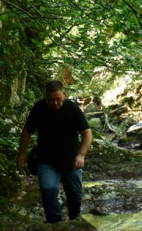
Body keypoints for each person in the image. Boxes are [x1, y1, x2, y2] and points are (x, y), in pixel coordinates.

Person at [16, 80, 92, 223]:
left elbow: (87, 133)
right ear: (46, 97)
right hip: (46, 160)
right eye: (51, 100)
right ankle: (54, 223)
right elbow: (27, 131)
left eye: (58, 99)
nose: (55, 103)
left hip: (71, 160)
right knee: (48, 191)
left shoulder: (73, 109)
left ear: (64, 94)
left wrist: (81, 155)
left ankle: (75, 219)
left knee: (74, 193)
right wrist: (22, 153)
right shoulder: (39, 108)